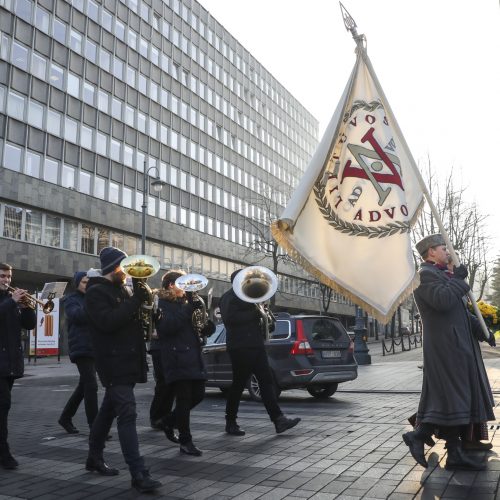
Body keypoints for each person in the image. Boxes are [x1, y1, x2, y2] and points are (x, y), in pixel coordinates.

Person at [402, 234, 495, 471]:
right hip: (444, 347)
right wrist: (459, 280)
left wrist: (482, 330)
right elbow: (442, 301)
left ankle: (447, 449)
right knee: (454, 397)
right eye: (444, 248)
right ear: (431, 251)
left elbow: (461, 312)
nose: (448, 252)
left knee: (453, 398)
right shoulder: (424, 276)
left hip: (458, 346)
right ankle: (445, 448)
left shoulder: (443, 275)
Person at [84, 247, 161, 493]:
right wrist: (135, 300)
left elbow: (133, 318)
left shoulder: (124, 289)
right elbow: (108, 322)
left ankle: (94, 457)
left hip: (128, 360)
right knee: (127, 414)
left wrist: (145, 302)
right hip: (112, 362)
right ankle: (138, 472)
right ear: (112, 269)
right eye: (123, 268)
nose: (128, 273)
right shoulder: (95, 292)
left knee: (107, 412)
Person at [219, 269, 301, 436]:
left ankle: (279, 420)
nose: (249, 283)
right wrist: (255, 312)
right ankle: (230, 421)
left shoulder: (253, 298)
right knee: (238, 385)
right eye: (246, 280)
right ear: (237, 282)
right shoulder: (229, 297)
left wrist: (268, 320)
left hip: (256, 345)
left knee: (266, 382)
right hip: (240, 346)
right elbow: (230, 319)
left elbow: (262, 321)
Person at [155, 270, 211, 456]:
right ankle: (186, 441)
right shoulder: (161, 303)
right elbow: (167, 327)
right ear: (171, 285)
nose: (188, 288)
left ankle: (168, 421)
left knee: (199, 395)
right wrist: (189, 308)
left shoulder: (185, 303)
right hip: (176, 356)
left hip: (193, 355)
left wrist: (207, 325)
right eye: (183, 284)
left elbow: (199, 327)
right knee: (184, 399)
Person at [0, 263, 37, 469]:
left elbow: (29, 325)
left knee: (3, 408)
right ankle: (4, 454)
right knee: (3, 406)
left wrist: (27, 307)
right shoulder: (7, 301)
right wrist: (12, 302)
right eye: (2, 276)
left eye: (9, 276)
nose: (6, 280)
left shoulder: (10, 299)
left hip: (10, 363)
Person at [58, 271, 98, 435]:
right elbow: (78, 316)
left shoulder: (92, 298)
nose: (87, 285)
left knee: (84, 386)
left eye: (89, 282)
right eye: (84, 282)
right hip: (81, 347)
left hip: (94, 347)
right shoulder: (71, 300)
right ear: (77, 284)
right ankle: (96, 427)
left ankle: (65, 417)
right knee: (91, 386)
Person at [148, 330, 178, 443]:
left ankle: (165, 418)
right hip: (159, 346)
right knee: (163, 383)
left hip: (172, 346)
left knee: (172, 383)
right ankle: (156, 417)